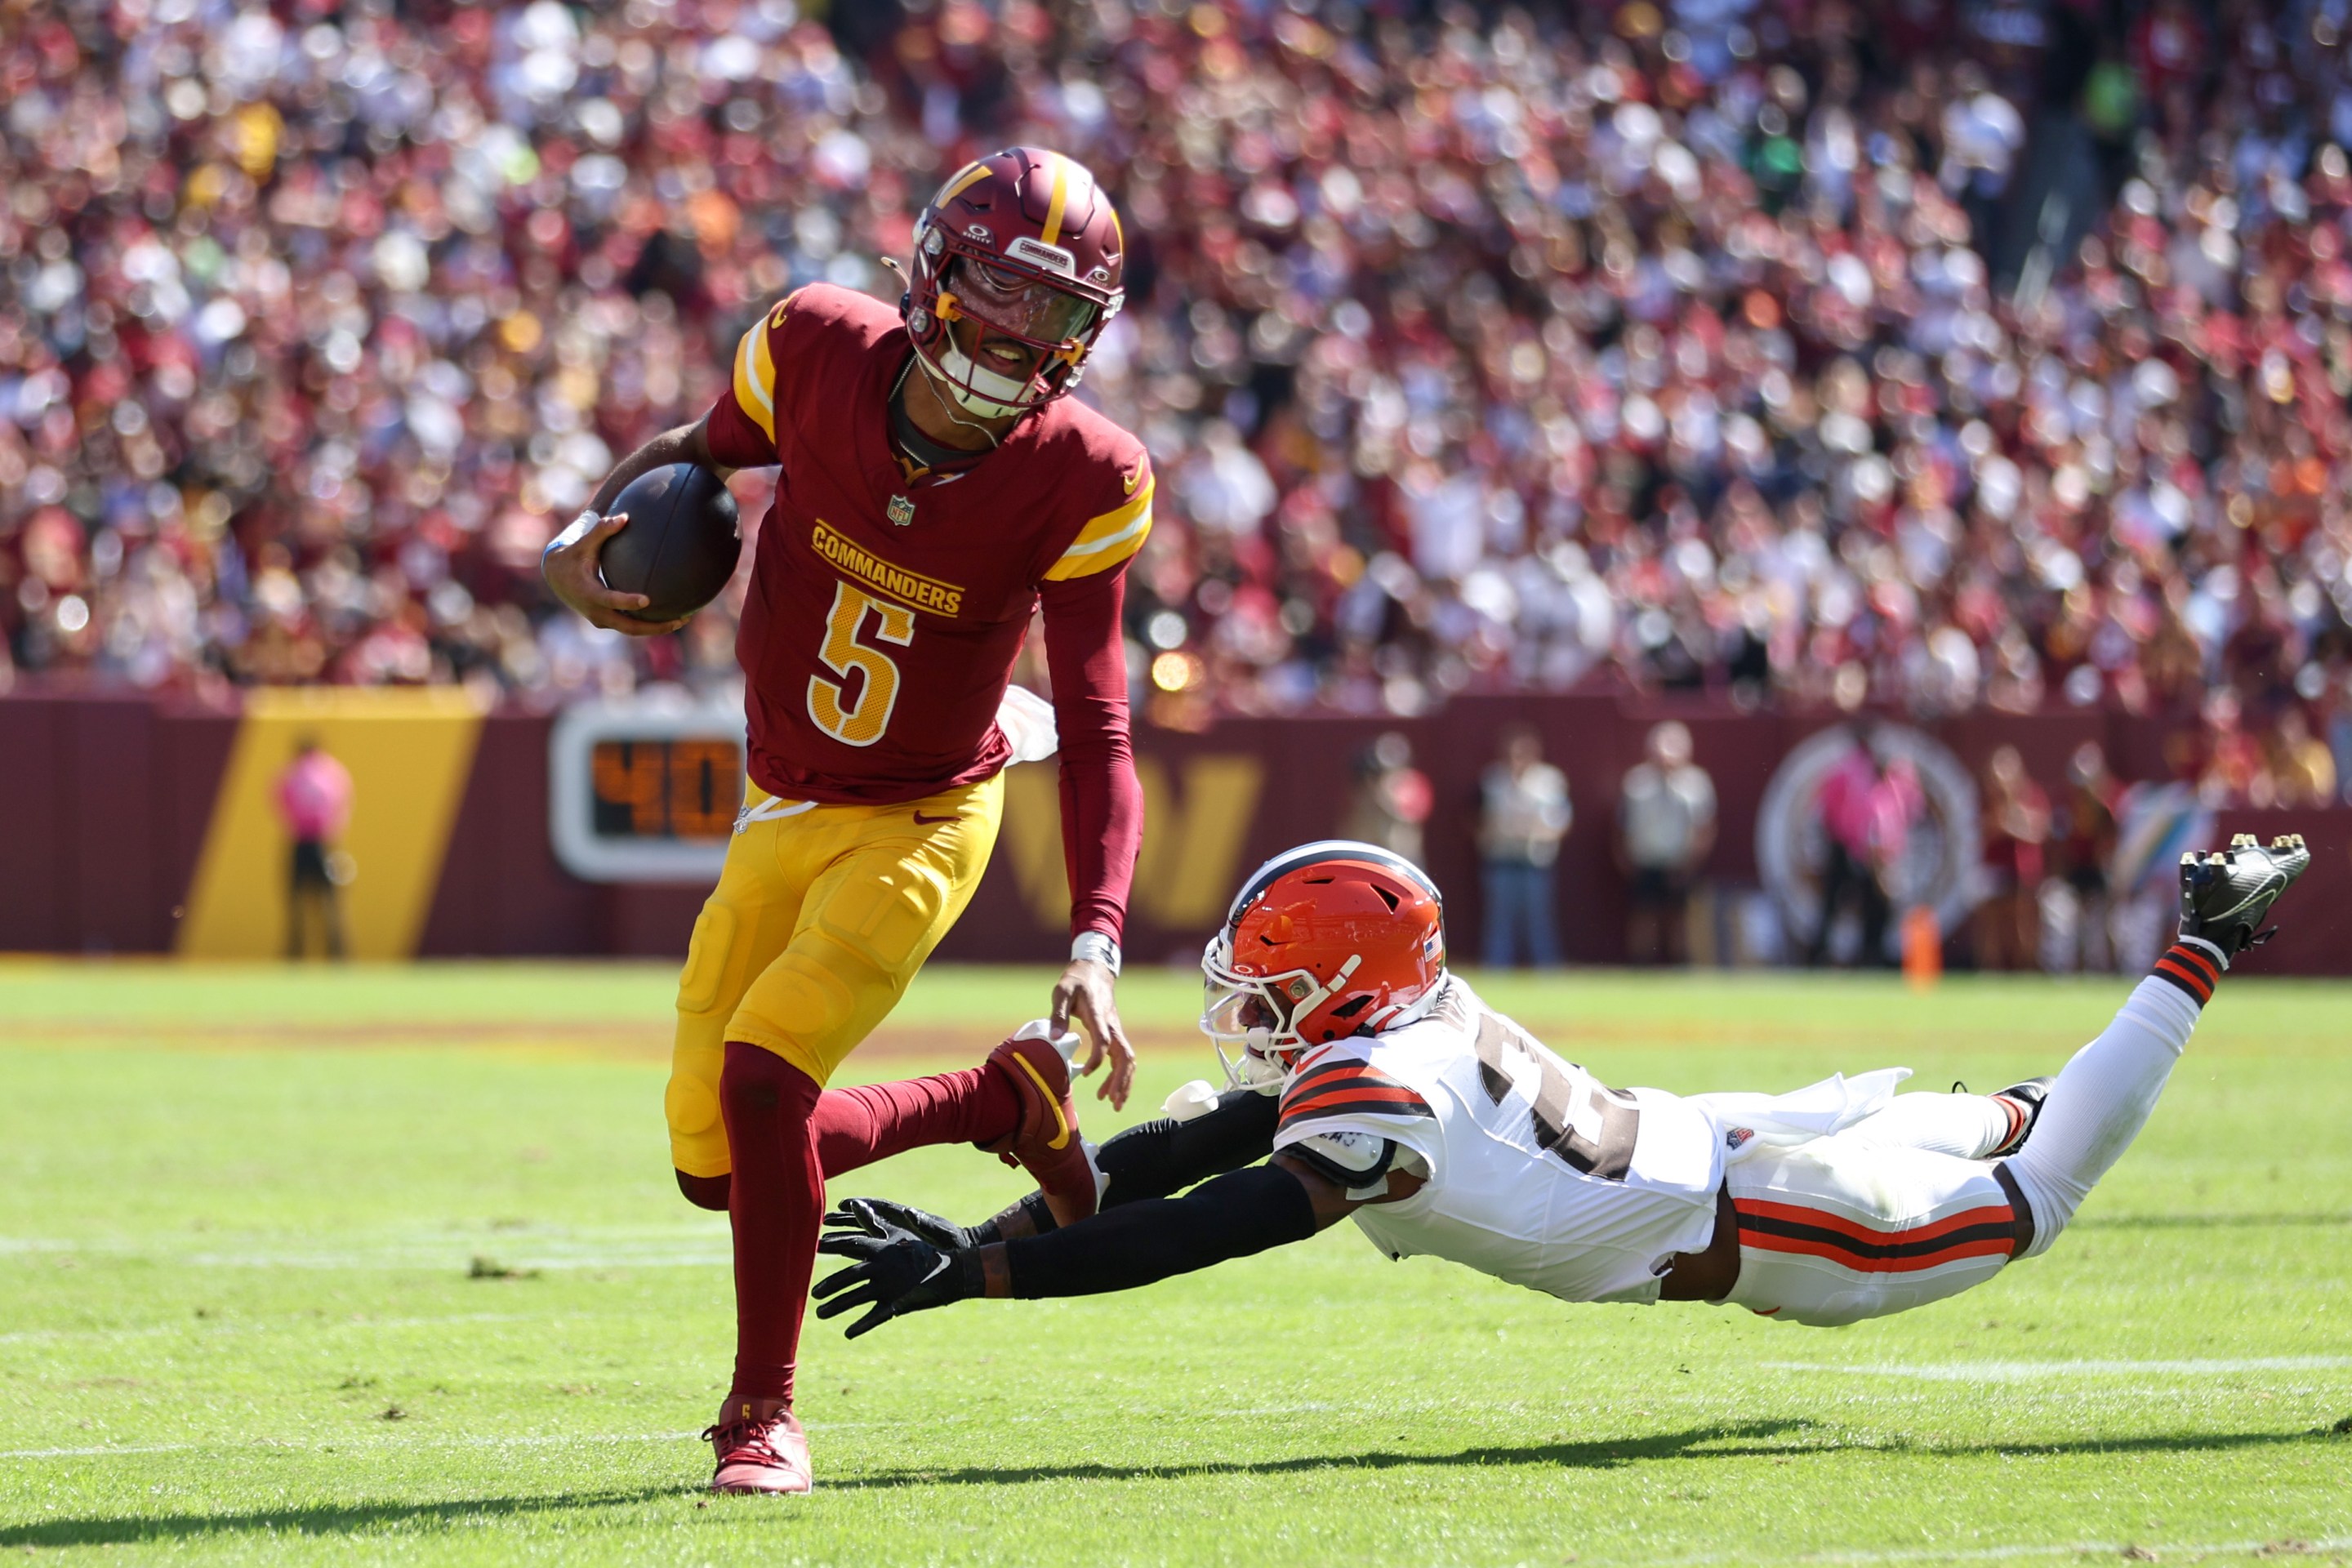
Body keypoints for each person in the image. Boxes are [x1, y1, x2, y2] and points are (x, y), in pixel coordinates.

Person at [540, 149, 1152, 1496]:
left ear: (1087, 336)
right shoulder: (812, 344)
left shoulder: (1088, 473)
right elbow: (695, 460)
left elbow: (1100, 723)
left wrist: (1096, 942)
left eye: (1050, 311)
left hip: (931, 810)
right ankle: (1005, 1098)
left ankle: (761, 1414)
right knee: (721, 1168)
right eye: (995, 286)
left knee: (768, 1085)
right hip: (785, 802)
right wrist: (586, 535)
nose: (1012, 330)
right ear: (934, 267)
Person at [813, 832, 2310, 1353]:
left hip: (1774, 1220)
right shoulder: (1408, 1018)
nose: (1250, 1023)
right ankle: (2188, 950)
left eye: (1272, 991)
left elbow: (1214, 1221)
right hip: (1726, 1135)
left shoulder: (1376, 1090)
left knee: (2038, 1191)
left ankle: (2202, 948)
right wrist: (993, 1228)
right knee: (2009, 1118)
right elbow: (1197, 1144)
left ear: (1344, 983)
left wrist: (987, 1276)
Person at [1804, 719, 1919, 968]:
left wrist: (1891, 848)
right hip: (1846, 849)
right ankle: (1820, 956)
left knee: (1879, 906)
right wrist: (1843, 842)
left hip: (1881, 855)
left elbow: (1908, 812)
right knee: (1834, 903)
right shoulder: (1848, 770)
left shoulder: (1897, 778)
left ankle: (1872, 954)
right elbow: (1829, 809)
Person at [1617, 722, 1716, 965]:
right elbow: (1621, 826)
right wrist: (1624, 859)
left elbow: (1705, 827)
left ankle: (1679, 965)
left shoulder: (1696, 784)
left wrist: (1691, 862)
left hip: (1679, 861)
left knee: (1679, 917)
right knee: (1643, 915)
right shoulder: (1636, 783)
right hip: (1645, 860)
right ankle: (1641, 964)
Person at [1477, 725, 1571, 969]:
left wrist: (1541, 834)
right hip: (1502, 858)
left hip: (1534, 859)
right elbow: (1477, 816)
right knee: (1499, 921)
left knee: (1539, 921)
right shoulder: (1493, 780)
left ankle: (1546, 969)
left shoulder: (1549, 781)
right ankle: (1496, 969)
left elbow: (1562, 818)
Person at [1973, 746, 2051, 971]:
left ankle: (2026, 968)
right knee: (1990, 921)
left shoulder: (2031, 795)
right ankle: (1991, 968)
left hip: (2023, 868)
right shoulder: (1987, 799)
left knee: (2023, 922)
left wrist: (2009, 822)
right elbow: (1984, 830)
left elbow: (2037, 830)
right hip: (1995, 866)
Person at [274, 738, 352, 961]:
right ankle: (337, 954)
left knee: (297, 902)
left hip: (301, 842)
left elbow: (280, 802)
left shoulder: (291, 773)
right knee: (330, 902)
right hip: (323, 842)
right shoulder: (331, 772)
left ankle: (295, 953)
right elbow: (341, 803)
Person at [1341, 731, 1433, 866]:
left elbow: (1409, 817)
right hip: (1368, 860)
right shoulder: (1362, 801)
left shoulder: (1408, 784)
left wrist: (1383, 798)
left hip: (1403, 860)